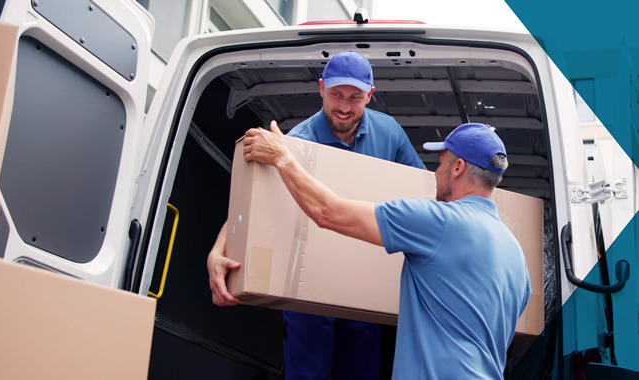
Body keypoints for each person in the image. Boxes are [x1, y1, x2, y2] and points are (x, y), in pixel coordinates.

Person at [241, 122, 532, 379]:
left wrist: (282, 157)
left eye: (441, 162)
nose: (435, 173)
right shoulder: (516, 255)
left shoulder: (437, 221)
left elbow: (327, 212)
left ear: (458, 168)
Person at [207, 51, 426, 379]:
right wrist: (217, 251)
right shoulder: (296, 143)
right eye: (336, 94)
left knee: (360, 373)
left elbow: (422, 191)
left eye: (355, 98)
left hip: (362, 282)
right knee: (309, 373)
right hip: (308, 285)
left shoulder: (389, 134)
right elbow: (251, 202)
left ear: (370, 94)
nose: (344, 107)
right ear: (321, 87)